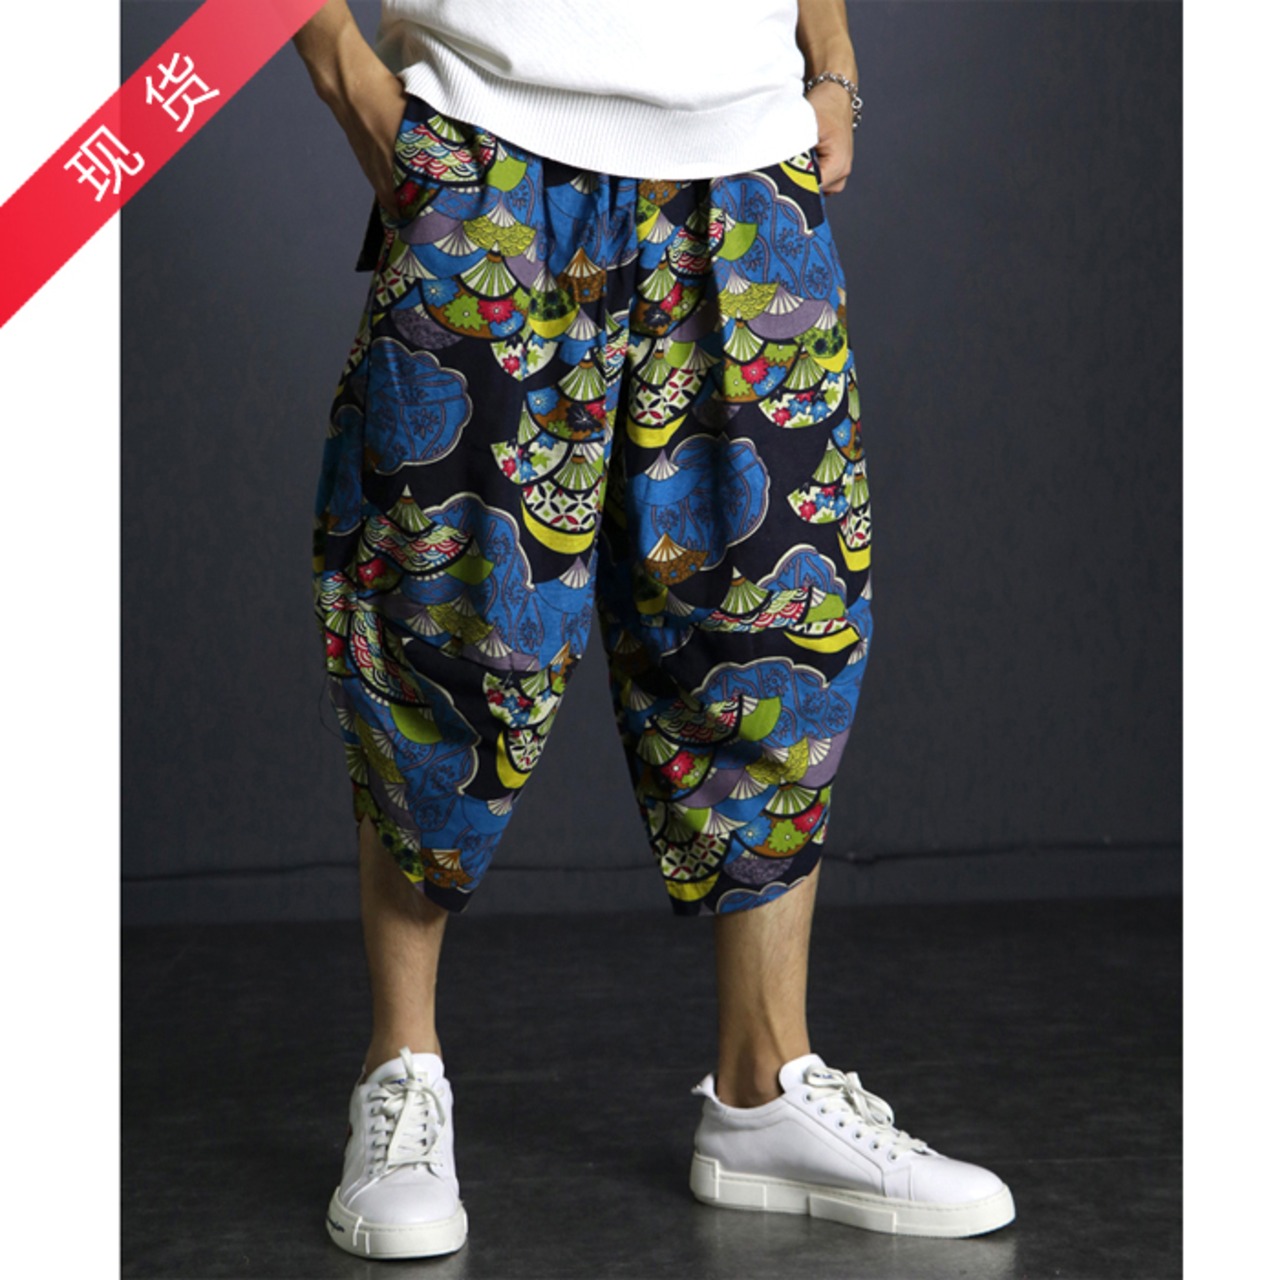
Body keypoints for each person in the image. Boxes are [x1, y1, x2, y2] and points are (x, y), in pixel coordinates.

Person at [293, 0, 1014, 1260]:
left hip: (745, 174)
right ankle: (399, 1070)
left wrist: (829, 58)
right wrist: (350, 80)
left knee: (772, 634)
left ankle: (763, 1087)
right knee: (444, 632)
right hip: (491, 154)